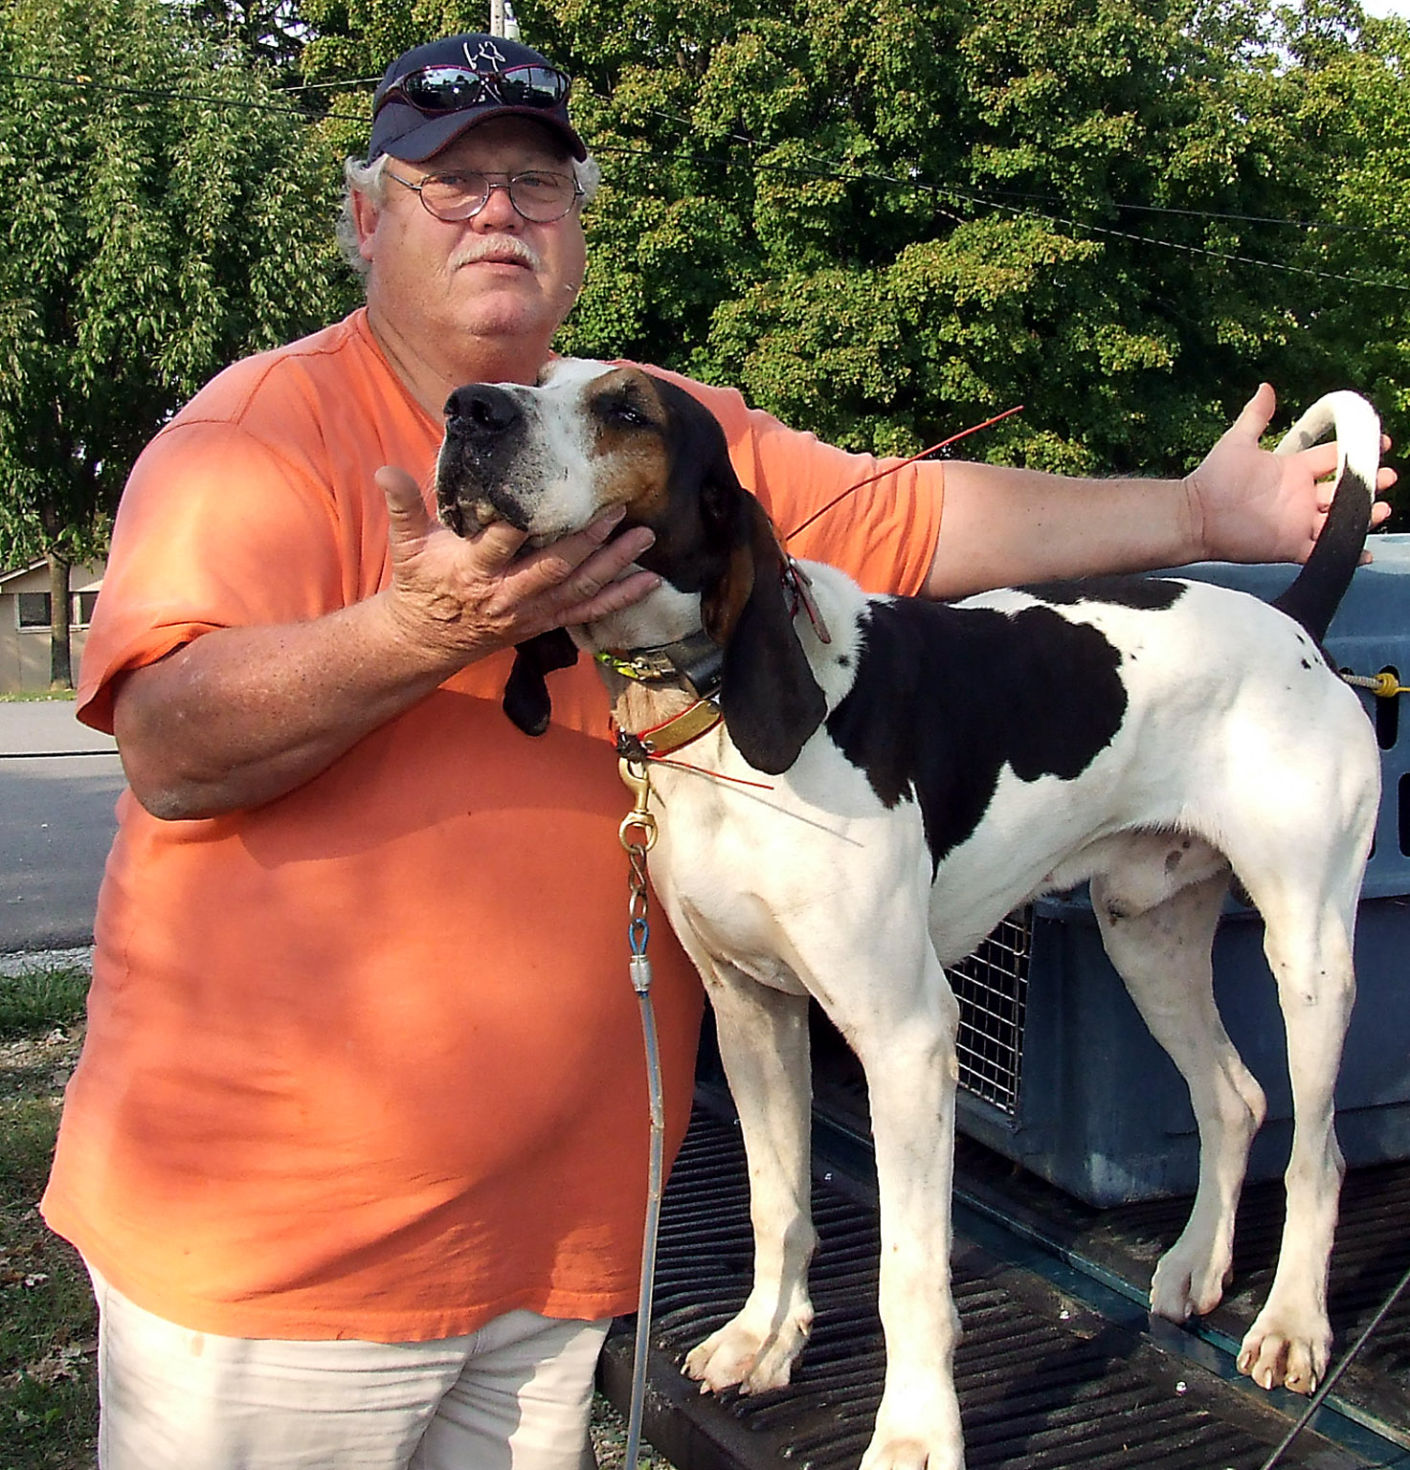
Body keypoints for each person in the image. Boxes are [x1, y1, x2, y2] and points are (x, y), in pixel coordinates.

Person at [43, 30, 1393, 1470]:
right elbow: (170, 747)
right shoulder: (250, 438)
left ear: (574, 237)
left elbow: (923, 517)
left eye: (534, 184)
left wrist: (1200, 516)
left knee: (1285, 982)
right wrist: (414, 631)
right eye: (449, 185)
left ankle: (1278, 1238)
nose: (497, 211)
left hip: (554, 1258)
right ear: (365, 221)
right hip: (284, 1268)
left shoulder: (661, 427)